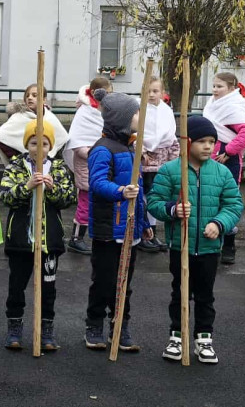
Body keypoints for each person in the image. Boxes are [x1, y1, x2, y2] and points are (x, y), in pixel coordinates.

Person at [147, 116, 243, 364]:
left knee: (205, 295)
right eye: (202, 141)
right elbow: (154, 202)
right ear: (188, 142)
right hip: (181, 246)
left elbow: (233, 204)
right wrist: (172, 210)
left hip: (210, 248)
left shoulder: (221, 172)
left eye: (212, 141)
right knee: (180, 293)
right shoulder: (170, 170)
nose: (209, 147)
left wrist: (219, 223)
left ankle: (204, 340)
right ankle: (176, 338)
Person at [0, 120, 76, 352]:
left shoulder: (59, 167)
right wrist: (27, 186)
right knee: (17, 286)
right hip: (21, 241)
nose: (38, 148)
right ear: (27, 144)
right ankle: (14, 328)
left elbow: (69, 198)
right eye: (33, 143)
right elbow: (5, 196)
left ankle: (46, 331)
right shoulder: (16, 166)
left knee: (48, 289)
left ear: (50, 146)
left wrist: (53, 189)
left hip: (48, 242)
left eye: (43, 144)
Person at [84, 90, 152, 352]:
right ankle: (95, 325)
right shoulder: (102, 150)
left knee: (125, 281)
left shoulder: (130, 147)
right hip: (108, 228)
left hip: (130, 228)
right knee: (104, 280)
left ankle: (120, 325)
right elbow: (98, 183)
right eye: (135, 112)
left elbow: (140, 193)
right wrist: (120, 192)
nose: (139, 116)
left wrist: (144, 224)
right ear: (123, 118)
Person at [202, 72, 245, 265]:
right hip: (209, 157)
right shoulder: (213, 103)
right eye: (214, 86)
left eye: (220, 87)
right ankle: (213, 241)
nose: (215, 90)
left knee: (227, 200)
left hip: (227, 160)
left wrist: (229, 150)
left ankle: (229, 245)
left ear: (232, 88)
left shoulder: (233, 107)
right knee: (210, 198)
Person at [63, 78, 111, 255]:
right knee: (85, 203)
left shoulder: (105, 111)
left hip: (102, 163)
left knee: (100, 202)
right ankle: (76, 238)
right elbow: (77, 139)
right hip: (87, 164)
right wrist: (94, 153)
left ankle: (96, 234)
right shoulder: (85, 112)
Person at [139, 76, 180, 254]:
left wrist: (173, 160)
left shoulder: (166, 111)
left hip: (162, 159)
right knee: (144, 196)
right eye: (148, 91)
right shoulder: (139, 108)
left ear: (162, 93)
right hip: (145, 159)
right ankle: (143, 233)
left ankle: (153, 233)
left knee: (157, 197)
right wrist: (141, 149)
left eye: (155, 91)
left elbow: (170, 135)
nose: (151, 95)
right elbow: (134, 131)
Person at [0, 83, 68, 165]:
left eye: (34, 95)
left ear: (44, 99)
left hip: (47, 165)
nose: (30, 98)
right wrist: (17, 159)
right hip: (24, 168)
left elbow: (62, 138)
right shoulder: (18, 117)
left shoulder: (49, 117)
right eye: (27, 96)